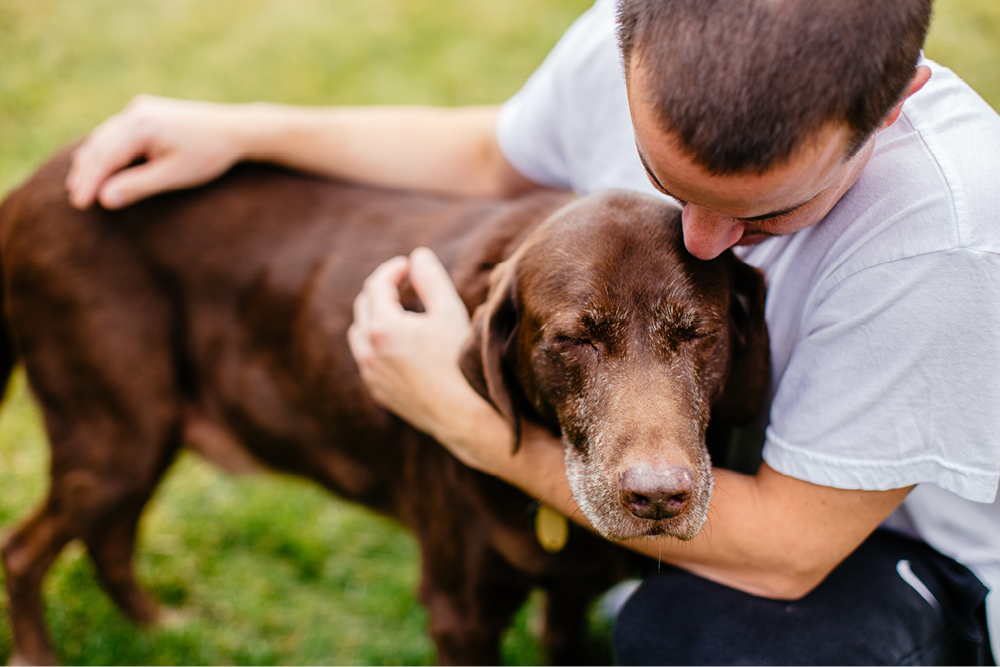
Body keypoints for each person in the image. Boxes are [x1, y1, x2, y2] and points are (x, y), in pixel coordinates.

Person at [66, 0, 1000, 663]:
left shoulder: (946, 235)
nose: (705, 241)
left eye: (768, 213)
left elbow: (792, 551)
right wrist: (243, 128)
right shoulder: (627, 40)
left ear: (894, 103)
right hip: (723, 474)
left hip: (900, 556)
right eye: (665, 182)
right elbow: (492, 150)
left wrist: (468, 424)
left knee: (702, 641)